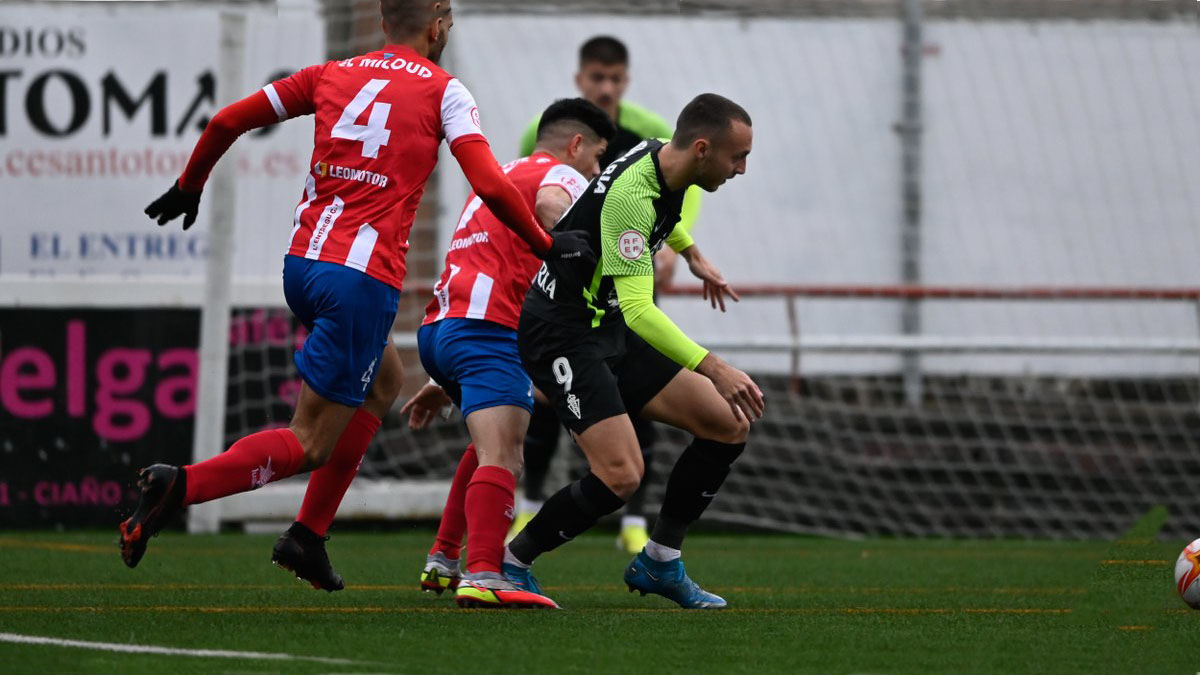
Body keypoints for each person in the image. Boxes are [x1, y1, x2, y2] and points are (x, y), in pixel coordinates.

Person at [118, 0, 590, 586]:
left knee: (385, 380)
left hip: (304, 265)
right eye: (448, 18)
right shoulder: (445, 90)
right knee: (311, 441)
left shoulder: (329, 74)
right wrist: (547, 245)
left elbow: (224, 122)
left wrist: (191, 184)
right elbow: (491, 184)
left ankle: (307, 537)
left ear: (385, 22)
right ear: (437, 24)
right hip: (360, 280)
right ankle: (180, 486)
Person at [501, 93, 764, 610]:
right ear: (703, 149)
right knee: (621, 473)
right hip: (563, 332)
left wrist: (691, 253)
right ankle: (512, 563)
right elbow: (641, 310)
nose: (742, 169)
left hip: (605, 324)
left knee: (728, 423)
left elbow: (656, 216)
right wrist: (714, 367)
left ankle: (661, 561)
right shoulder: (633, 195)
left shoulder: (663, 156)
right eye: (738, 157)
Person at [399, 98, 614, 609]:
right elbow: (553, 206)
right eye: (597, 158)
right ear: (576, 145)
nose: (596, 172)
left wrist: (443, 377)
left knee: (485, 449)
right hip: (487, 331)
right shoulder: (560, 174)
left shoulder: (500, 175)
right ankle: (484, 574)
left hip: (442, 331)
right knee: (505, 456)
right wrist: (585, 253)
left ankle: (444, 557)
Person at [513, 35, 703, 554]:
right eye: (597, 78)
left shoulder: (649, 134)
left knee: (640, 399)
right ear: (580, 80)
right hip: (567, 300)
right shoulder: (547, 131)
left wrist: (680, 248)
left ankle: (636, 524)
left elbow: (680, 194)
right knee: (545, 402)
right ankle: (526, 510)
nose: (606, 87)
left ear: (626, 81)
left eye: (615, 79)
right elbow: (530, 198)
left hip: (627, 288)